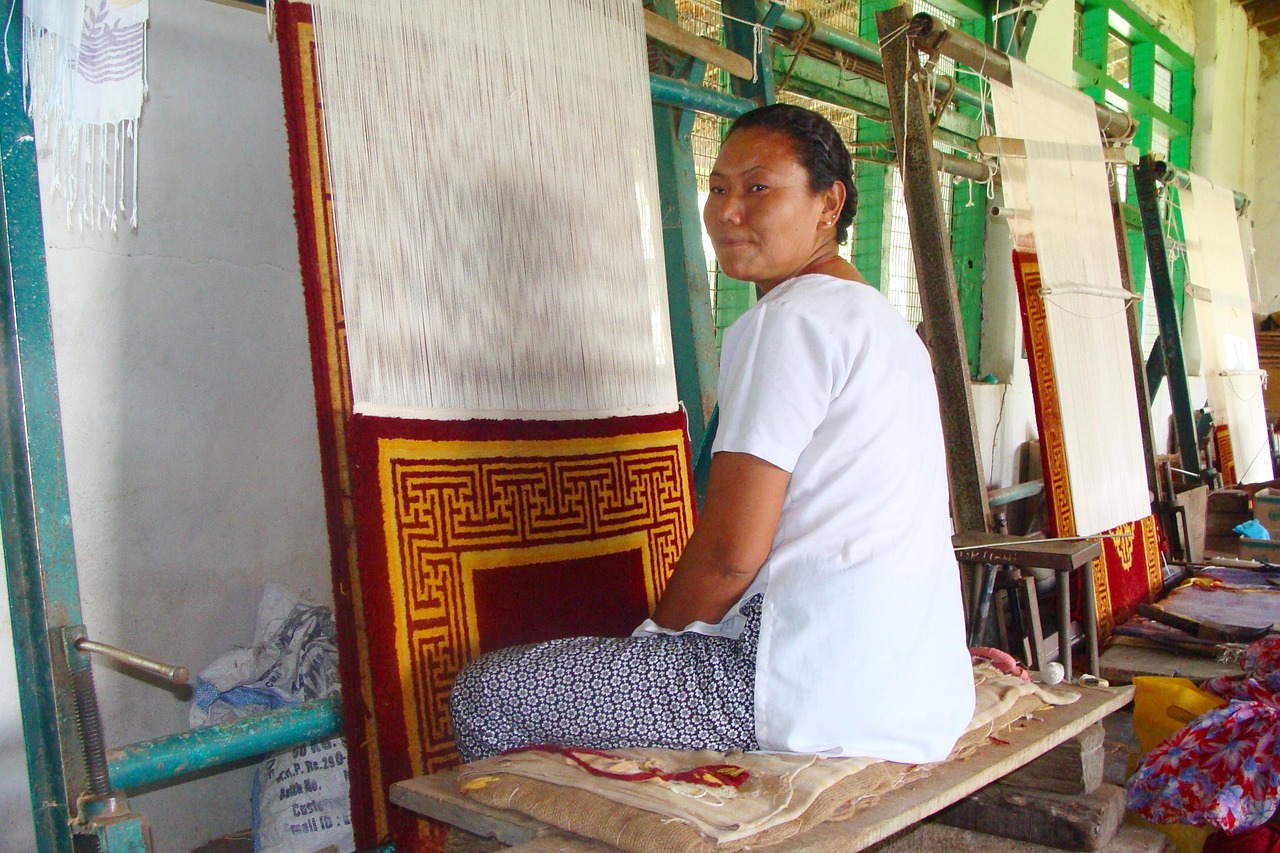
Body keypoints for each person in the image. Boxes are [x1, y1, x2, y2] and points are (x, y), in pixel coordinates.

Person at [450, 103, 974, 765]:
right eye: (718, 187)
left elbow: (731, 553)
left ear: (828, 203)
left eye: (758, 188)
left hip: (804, 698)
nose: (726, 210)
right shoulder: (889, 330)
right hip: (918, 693)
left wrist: (650, 648)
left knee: (485, 692)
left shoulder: (791, 322)